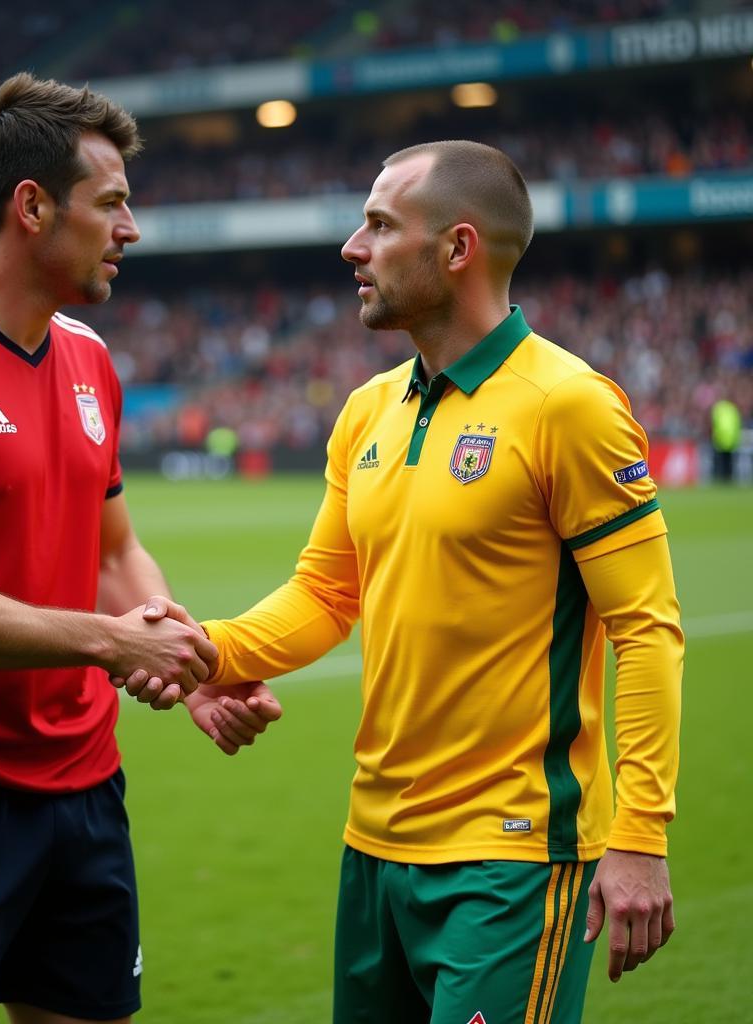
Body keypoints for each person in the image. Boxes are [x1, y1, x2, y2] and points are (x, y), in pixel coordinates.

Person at [165, 141, 684, 1023]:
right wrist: (201, 650)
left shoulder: (569, 405)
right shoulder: (368, 409)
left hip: (513, 859)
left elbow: (646, 628)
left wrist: (638, 836)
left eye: (377, 225)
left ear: (457, 249)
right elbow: (327, 594)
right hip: (373, 848)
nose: (351, 250)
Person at [0, 72, 273, 1024]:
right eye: (111, 203)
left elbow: (115, 550)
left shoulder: (88, 358)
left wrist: (192, 661)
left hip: (83, 789)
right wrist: (113, 644)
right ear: (31, 206)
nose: (132, 228)